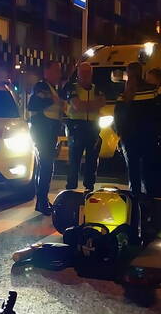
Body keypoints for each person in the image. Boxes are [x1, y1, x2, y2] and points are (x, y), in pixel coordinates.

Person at [117, 63, 161, 199]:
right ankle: (150, 199)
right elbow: (158, 114)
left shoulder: (124, 95)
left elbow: (118, 118)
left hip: (129, 138)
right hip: (148, 136)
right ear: (141, 73)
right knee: (148, 168)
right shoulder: (151, 91)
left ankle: (135, 198)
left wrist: (120, 135)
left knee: (133, 170)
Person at [28, 61, 65, 214]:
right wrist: (54, 100)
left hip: (49, 132)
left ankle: (42, 200)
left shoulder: (51, 88)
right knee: (46, 166)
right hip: (43, 132)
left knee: (46, 166)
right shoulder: (41, 87)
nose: (59, 74)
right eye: (56, 70)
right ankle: (42, 201)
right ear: (47, 71)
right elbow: (33, 104)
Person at [63, 62, 106, 191]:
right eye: (83, 73)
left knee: (92, 160)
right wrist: (93, 104)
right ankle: (71, 187)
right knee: (74, 159)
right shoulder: (72, 88)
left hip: (93, 127)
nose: (85, 75)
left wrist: (84, 105)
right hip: (76, 127)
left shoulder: (97, 88)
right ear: (78, 74)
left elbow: (102, 102)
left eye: (88, 72)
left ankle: (89, 186)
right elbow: (77, 105)